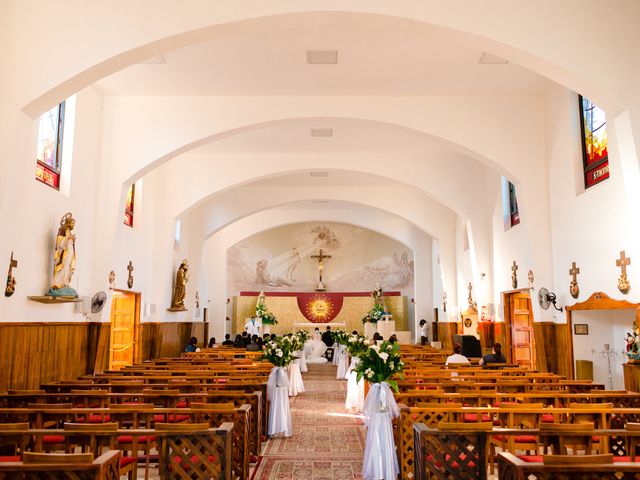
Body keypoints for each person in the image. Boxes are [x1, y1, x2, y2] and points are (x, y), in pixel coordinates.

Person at [49, 212, 78, 295]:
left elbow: (70, 242)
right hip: (64, 253)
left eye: (73, 223)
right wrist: (68, 238)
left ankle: (65, 283)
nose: (73, 225)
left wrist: (72, 240)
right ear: (68, 223)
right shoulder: (62, 230)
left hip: (70, 252)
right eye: (72, 223)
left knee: (68, 267)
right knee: (63, 266)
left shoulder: (69, 232)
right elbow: (59, 243)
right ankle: (57, 284)